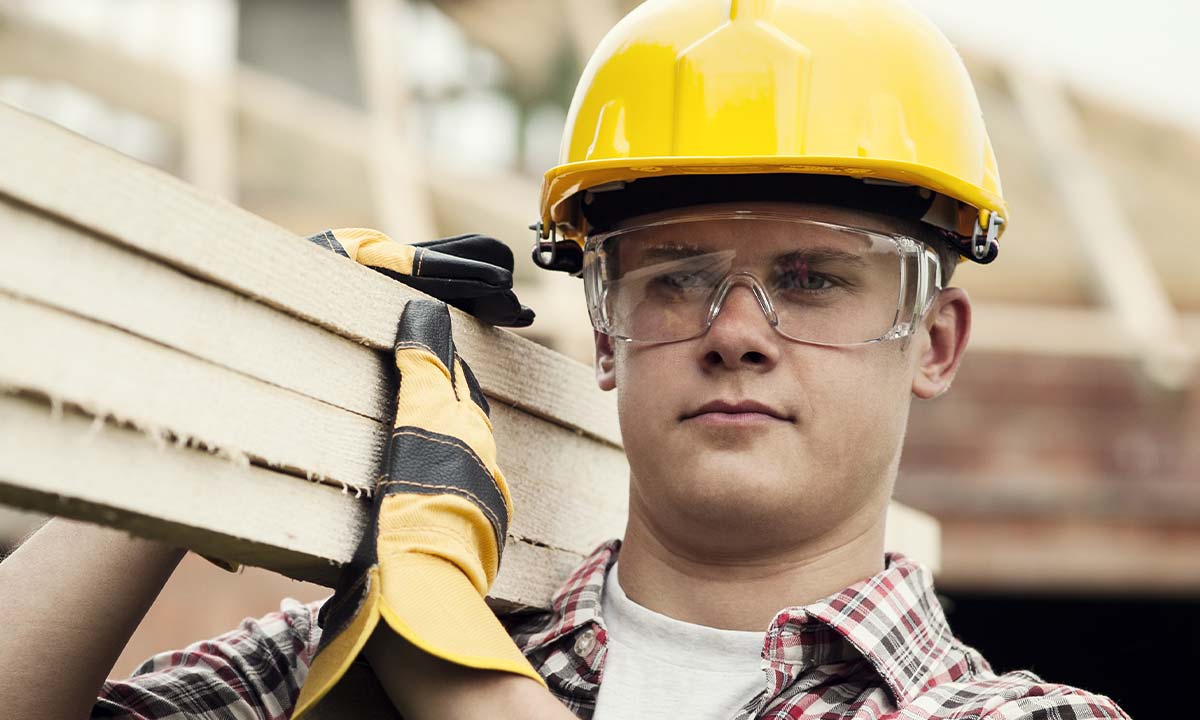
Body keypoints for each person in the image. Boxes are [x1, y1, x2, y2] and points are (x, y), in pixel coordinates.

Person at [0, 1, 1133, 719]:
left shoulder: (1020, 716)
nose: (736, 330)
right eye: (675, 276)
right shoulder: (353, 650)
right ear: (602, 331)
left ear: (934, 340)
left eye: (811, 279)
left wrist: (452, 677)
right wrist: (219, 400)